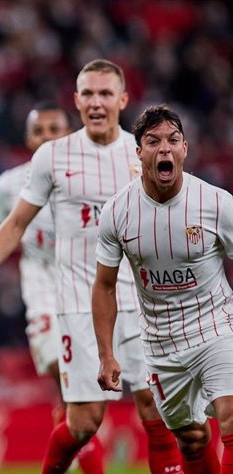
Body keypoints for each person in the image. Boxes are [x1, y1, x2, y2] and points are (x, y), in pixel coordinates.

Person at [0, 59, 182, 473]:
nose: (97, 102)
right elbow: (15, 222)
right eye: (88, 94)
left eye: (106, 93)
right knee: (85, 421)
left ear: (123, 99)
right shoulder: (54, 157)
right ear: (76, 100)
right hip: (78, 306)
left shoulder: (141, 154)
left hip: (140, 304)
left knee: (155, 406)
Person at [95, 104, 233, 473]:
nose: (165, 148)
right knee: (192, 439)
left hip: (217, 327)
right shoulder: (117, 212)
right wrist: (106, 354)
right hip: (161, 341)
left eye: (173, 140)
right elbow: (105, 285)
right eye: (153, 141)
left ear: (185, 148)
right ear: (138, 152)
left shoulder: (217, 204)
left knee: (231, 418)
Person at [0, 102, 105, 472]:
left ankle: (68, 428)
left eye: (55, 130)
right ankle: (76, 430)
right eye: (40, 131)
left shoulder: (96, 178)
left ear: (69, 135)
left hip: (87, 285)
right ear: (28, 137)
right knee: (60, 367)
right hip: (42, 285)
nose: (48, 138)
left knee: (79, 390)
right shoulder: (7, 186)